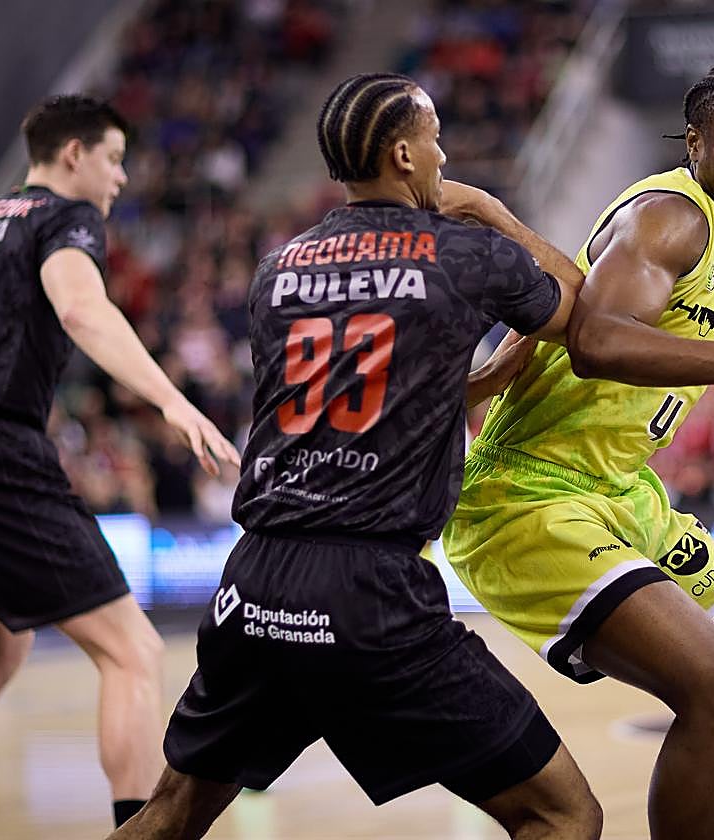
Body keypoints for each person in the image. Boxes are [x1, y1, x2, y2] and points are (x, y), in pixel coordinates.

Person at [110, 73, 602, 840]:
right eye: (435, 137)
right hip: (369, 590)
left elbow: (365, 408)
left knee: (168, 817)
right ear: (404, 155)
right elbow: (581, 311)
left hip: (256, 581)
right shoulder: (462, 252)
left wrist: (491, 375)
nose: (444, 154)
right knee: (563, 814)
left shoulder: (279, 268)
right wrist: (496, 213)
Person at [444, 63, 714, 840]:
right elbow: (594, 342)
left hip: (623, 495)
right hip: (528, 495)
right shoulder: (668, 218)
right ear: (696, 143)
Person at [0, 95, 240, 826]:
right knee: (133, 651)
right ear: (71, 154)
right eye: (112, 158)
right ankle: (136, 826)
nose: (120, 177)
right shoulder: (63, 217)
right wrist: (172, 401)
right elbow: (80, 308)